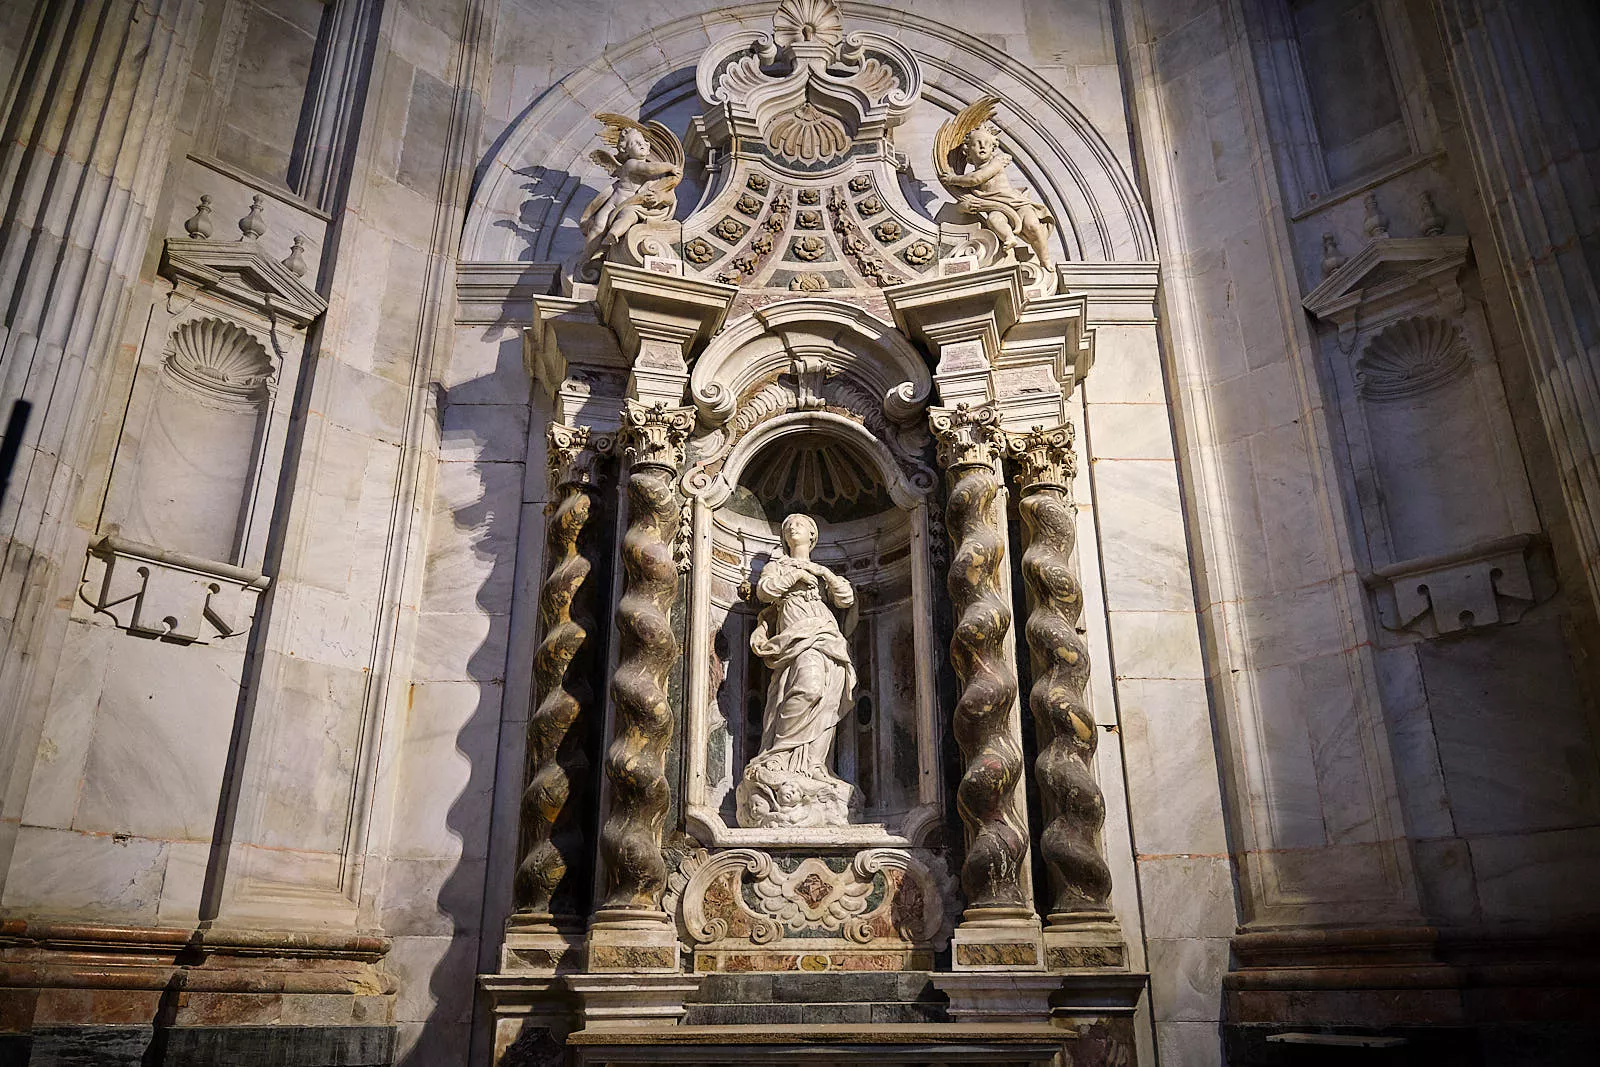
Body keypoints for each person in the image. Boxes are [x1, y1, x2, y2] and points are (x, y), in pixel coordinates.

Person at [737, 513, 858, 828]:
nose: (793, 526)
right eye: (788, 524)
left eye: (801, 524)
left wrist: (825, 576)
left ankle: (814, 764)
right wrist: (795, 576)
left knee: (826, 697)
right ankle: (780, 753)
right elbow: (765, 592)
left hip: (823, 632)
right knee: (807, 687)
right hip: (794, 634)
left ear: (813, 536)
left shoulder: (820, 569)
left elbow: (845, 600)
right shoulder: (778, 565)